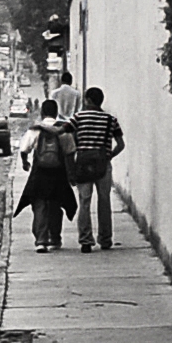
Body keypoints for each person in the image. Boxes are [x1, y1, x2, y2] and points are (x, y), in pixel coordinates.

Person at [65, 90, 125, 248]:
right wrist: (109, 155)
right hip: (103, 165)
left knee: (85, 201)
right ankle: (105, 239)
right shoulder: (111, 120)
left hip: (83, 163)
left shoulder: (78, 117)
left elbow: (63, 132)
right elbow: (121, 145)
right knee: (104, 201)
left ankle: (86, 240)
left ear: (88, 100)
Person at [11, 111, 76, 249]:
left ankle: (41, 240)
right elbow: (70, 152)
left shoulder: (35, 130)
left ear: (42, 113)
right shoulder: (63, 130)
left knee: (39, 205)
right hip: (58, 173)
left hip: (39, 174)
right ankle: (55, 238)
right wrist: (71, 174)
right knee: (55, 205)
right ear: (56, 112)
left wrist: (25, 163)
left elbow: (24, 149)